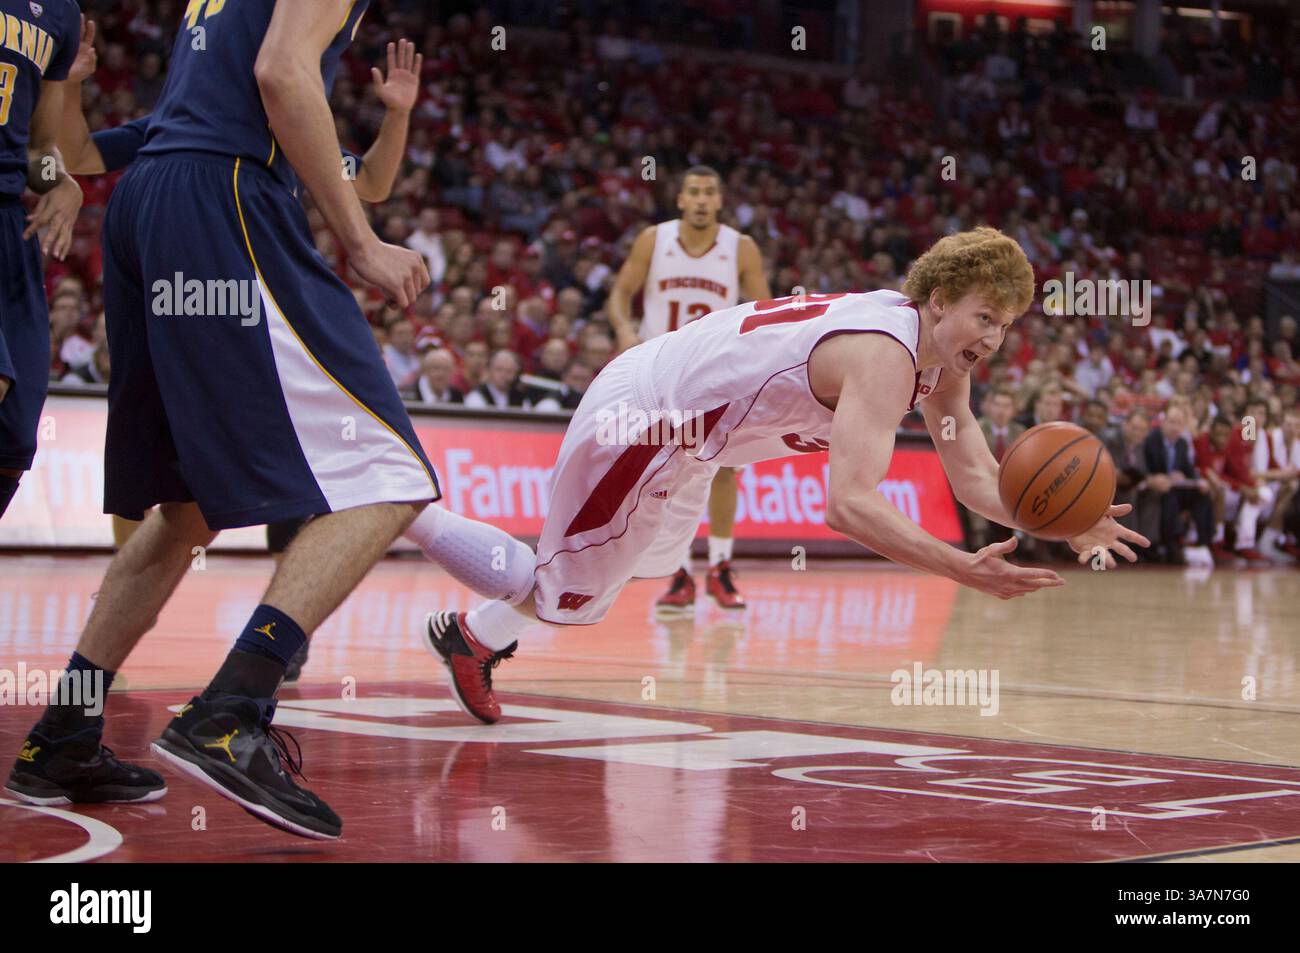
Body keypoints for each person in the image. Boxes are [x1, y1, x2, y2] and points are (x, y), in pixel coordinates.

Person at [5, 2, 535, 841]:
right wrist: (357, 241)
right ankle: (231, 708)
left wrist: (66, 96)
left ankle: (62, 732)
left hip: (150, 201)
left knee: (183, 511)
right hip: (224, 198)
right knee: (390, 474)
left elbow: (76, 151)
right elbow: (284, 71)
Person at [420, 228, 1147, 725]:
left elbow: (976, 478)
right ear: (937, 299)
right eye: (983, 316)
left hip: (694, 438)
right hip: (649, 418)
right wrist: (963, 567)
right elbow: (850, 505)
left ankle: (471, 636)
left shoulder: (936, 361)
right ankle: (402, 511)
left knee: (658, 561)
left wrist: (1062, 518)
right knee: (563, 595)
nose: (992, 338)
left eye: (1006, 324)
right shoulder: (884, 355)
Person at [607, 166, 772, 612]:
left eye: (709, 192)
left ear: (720, 200)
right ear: (680, 199)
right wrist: (624, 331)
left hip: (716, 370)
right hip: (659, 368)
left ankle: (720, 567)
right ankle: (676, 570)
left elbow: (763, 310)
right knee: (663, 471)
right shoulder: (653, 239)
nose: (701, 200)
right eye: (694, 192)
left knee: (724, 467)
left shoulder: (741, 248)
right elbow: (620, 293)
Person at [0, 2, 83, 522]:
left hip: (10, 222)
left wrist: (64, 183)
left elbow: (40, 149)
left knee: (12, 435)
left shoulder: (60, 14)